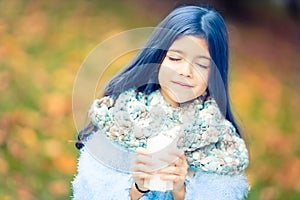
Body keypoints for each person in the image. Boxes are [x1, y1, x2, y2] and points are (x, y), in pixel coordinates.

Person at [72, 5, 249, 200]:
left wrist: (181, 192)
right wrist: (136, 189)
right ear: (158, 58)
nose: (185, 71)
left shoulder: (220, 144)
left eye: (201, 64)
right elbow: (88, 192)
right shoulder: (119, 118)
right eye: (175, 58)